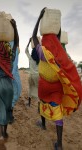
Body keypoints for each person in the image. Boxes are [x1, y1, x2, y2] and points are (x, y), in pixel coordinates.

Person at [32, 8, 82, 150]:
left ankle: (43, 124)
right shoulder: (59, 53)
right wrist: (57, 26)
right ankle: (59, 144)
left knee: (41, 104)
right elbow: (58, 40)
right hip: (56, 87)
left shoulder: (42, 51)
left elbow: (34, 36)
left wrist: (39, 18)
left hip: (43, 86)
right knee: (57, 111)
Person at [0, 19, 18, 141]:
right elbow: (16, 43)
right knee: (7, 110)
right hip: (9, 86)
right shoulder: (11, 58)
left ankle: (1, 135)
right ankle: (5, 133)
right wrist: (15, 27)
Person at [25, 38, 39, 107]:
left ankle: (29, 103)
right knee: (39, 91)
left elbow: (26, 50)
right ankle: (39, 107)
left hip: (31, 75)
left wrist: (29, 42)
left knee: (30, 88)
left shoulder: (30, 58)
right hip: (38, 76)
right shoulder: (40, 60)